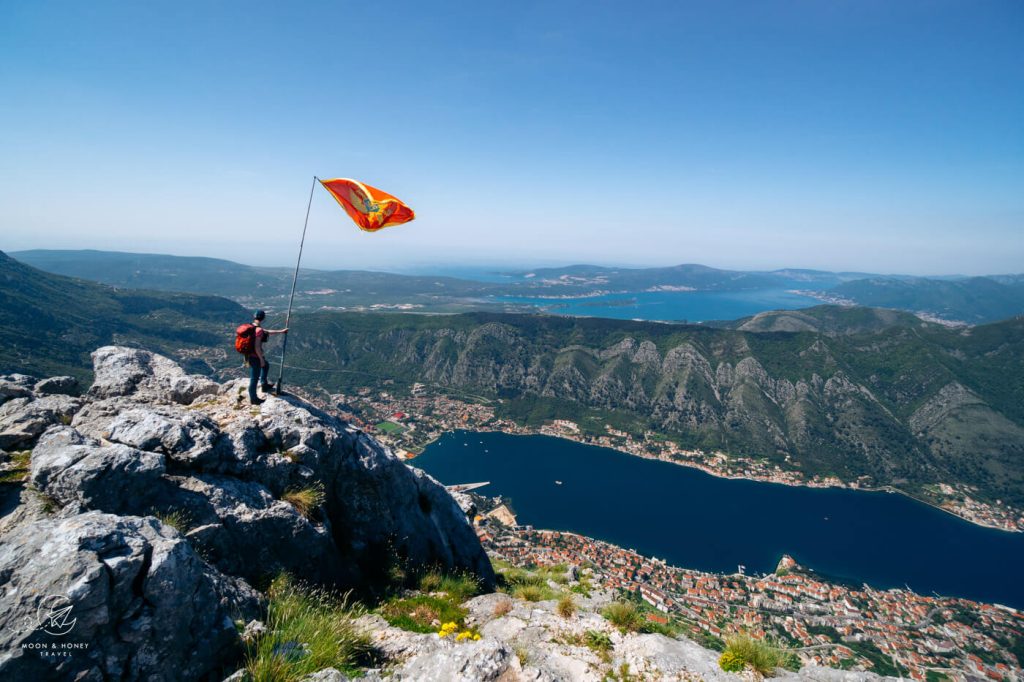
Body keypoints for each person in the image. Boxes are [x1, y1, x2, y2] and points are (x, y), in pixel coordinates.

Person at [246, 310, 288, 405]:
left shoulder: (252, 326)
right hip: (255, 356)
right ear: (263, 318)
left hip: (250, 355)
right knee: (254, 378)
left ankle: (264, 385)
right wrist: (261, 359)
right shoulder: (258, 330)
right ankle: (253, 398)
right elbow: (257, 346)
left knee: (266, 365)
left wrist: (281, 331)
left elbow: (267, 331)